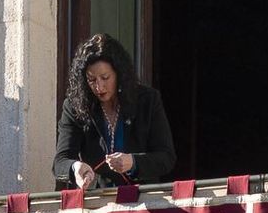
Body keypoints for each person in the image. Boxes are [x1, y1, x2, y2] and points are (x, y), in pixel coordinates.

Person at [52, 32, 176, 191]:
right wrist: (75, 168)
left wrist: (133, 162)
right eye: (91, 80)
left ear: (119, 74)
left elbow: (166, 158)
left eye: (105, 77)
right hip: (97, 201)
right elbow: (60, 162)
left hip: (142, 199)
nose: (99, 87)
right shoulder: (75, 106)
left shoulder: (148, 100)